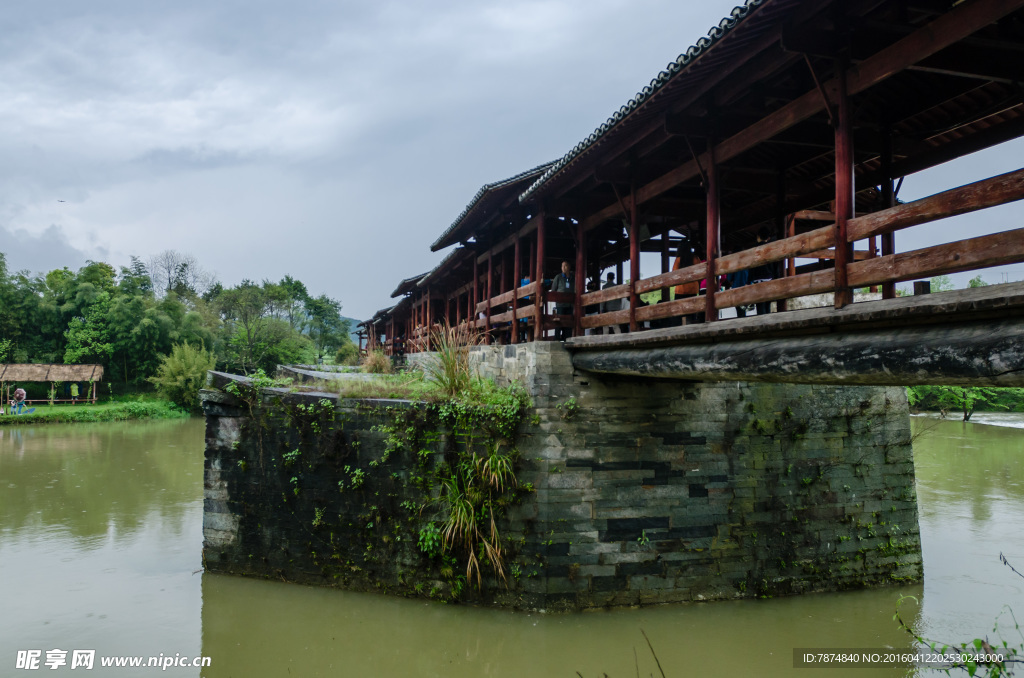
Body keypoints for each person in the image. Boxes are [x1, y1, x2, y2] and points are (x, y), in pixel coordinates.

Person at [749, 226, 781, 315]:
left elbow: (751, 267)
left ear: (758, 236)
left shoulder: (754, 249)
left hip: (758, 280)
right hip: (769, 278)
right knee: (768, 303)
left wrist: (749, 280)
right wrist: (776, 278)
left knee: (760, 304)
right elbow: (776, 265)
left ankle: (761, 323)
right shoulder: (771, 249)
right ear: (768, 238)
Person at [551, 261, 574, 340]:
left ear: (569, 267)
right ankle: (556, 340)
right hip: (560, 304)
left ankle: (567, 340)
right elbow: (553, 290)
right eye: (562, 266)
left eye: (565, 266)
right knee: (559, 322)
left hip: (570, 304)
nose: (563, 268)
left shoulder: (573, 278)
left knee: (568, 323)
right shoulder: (558, 277)